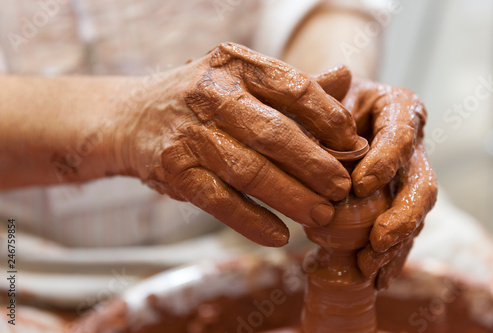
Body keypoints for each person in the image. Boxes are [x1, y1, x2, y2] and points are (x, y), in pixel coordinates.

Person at [0, 0, 437, 291]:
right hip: (29, 263)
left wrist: (330, 107)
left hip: (261, 228)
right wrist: (127, 121)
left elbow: (330, 7)